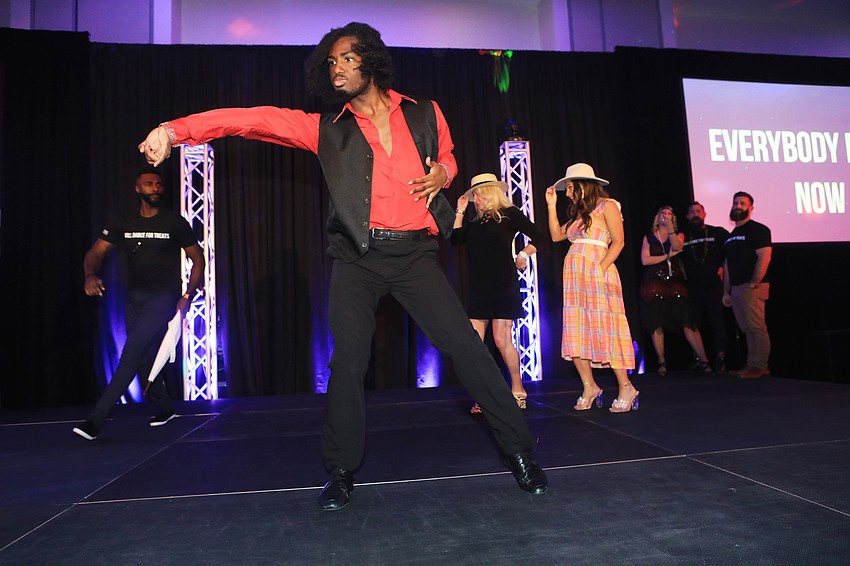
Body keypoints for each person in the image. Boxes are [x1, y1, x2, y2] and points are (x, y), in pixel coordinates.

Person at [138, 22, 546, 511]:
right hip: (358, 257)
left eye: (346, 59)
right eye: (329, 62)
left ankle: (521, 453)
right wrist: (174, 131)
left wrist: (444, 172)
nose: (336, 69)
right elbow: (252, 119)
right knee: (347, 363)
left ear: (370, 60)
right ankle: (340, 470)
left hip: (415, 254)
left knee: (467, 347)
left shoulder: (425, 112)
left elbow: (450, 157)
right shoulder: (325, 129)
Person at [73, 170, 205, 441]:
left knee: (130, 355)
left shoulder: (174, 222)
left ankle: (95, 421)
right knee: (144, 360)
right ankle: (165, 407)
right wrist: (90, 274)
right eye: (149, 184)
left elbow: (198, 259)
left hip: (164, 297)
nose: (155, 187)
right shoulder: (123, 221)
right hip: (134, 298)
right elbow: (95, 253)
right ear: (137, 189)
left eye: (158, 184)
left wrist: (188, 295)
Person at [544, 163, 638, 413]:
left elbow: (619, 242)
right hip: (575, 278)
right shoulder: (578, 216)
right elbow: (555, 236)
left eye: (571, 187)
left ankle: (625, 386)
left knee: (608, 327)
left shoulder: (608, 206)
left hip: (599, 272)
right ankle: (589, 386)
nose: (568, 192)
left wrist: (601, 268)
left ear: (583, 186)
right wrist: (551, 206)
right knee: (576, 328)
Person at [452, 173, 547, 413]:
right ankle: (485, 396)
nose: (475, 199)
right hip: (479, 288)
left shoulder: (510, 215)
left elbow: (540, 238)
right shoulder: (475, 224)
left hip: (503, 284)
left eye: (477, 195)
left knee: (502, 340)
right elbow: (455, 239)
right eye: (473, 195)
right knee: (474, 344)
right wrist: (460, 212)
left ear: (489, 193)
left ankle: (518, 390)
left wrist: (524, 254)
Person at [639, 206, 713, 375]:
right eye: (662, 213)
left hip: (674, 283)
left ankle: (704, 360)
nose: (665, 216)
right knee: (655, 321)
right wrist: (667, 256)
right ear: (657, 217)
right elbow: (645, 260)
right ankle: (661, 362)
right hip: (654, 282)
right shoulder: (649, 237)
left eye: (669, 214)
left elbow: (678, 247)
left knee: (687, 321)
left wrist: (670, 230)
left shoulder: (678, 235)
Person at [722, 191, 772, 379]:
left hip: (752, 287)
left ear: (751, 208)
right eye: (736, 203)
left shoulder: (758, 230)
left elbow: (764, 256)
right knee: (747, 327)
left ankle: (761, 366)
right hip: (736, 288)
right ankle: (752, 365)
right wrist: (726, 291)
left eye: (742, 203)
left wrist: (754, 282)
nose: (738, 206)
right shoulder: (731, 235)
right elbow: (727, 265)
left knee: (757, 327)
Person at [680, 202, 730, 372]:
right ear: (687, 216)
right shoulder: (683, 237)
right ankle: (699, 358)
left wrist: (723, 265)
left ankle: (720, 358)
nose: (695, 214)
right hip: (692, 287)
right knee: (694, 324)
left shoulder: (717, 232)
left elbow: (733, 251)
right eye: (692, 212)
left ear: (704, 214)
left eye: (698, 211)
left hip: (713, 286)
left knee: (717, 322)